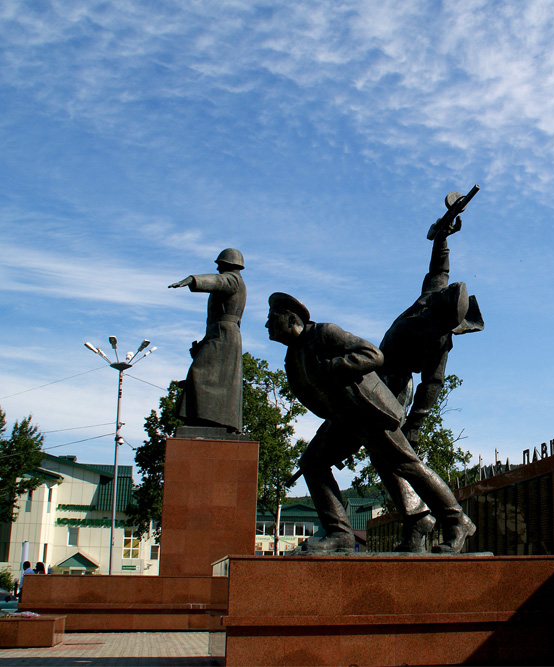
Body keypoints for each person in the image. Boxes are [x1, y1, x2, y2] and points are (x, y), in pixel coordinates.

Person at [266, 292, 475, 554]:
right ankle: (340, 534)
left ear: (291, 318)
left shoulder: (325, 333)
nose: (266, 325)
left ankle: (457, 521)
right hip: (343, 417)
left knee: (406, 465)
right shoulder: (294, 355)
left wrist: (334, 367)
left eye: (271, 319)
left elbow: (373, 355)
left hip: (370, 411)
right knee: (313, 462)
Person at [377, 214, 484, 551]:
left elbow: (432, 383)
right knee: (386, 457)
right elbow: (439, 267)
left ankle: (453, 520)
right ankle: (417, 523)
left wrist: (416, 423)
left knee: (398, 455)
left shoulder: (440, 339)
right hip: (379, 375)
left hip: (395, 387)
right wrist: (443, 236)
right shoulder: (432, 297)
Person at [168, 248, 246, 433]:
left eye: (220, 263)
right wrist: (203, 343)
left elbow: (217, 281)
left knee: (198, 373)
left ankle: (209, 419)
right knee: (208, 376)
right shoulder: (233, 281)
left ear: (229, 264)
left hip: (224, 336)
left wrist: (192, 280)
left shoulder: (233, 280)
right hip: (221, 334)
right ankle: (205, 418)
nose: (218, 266)